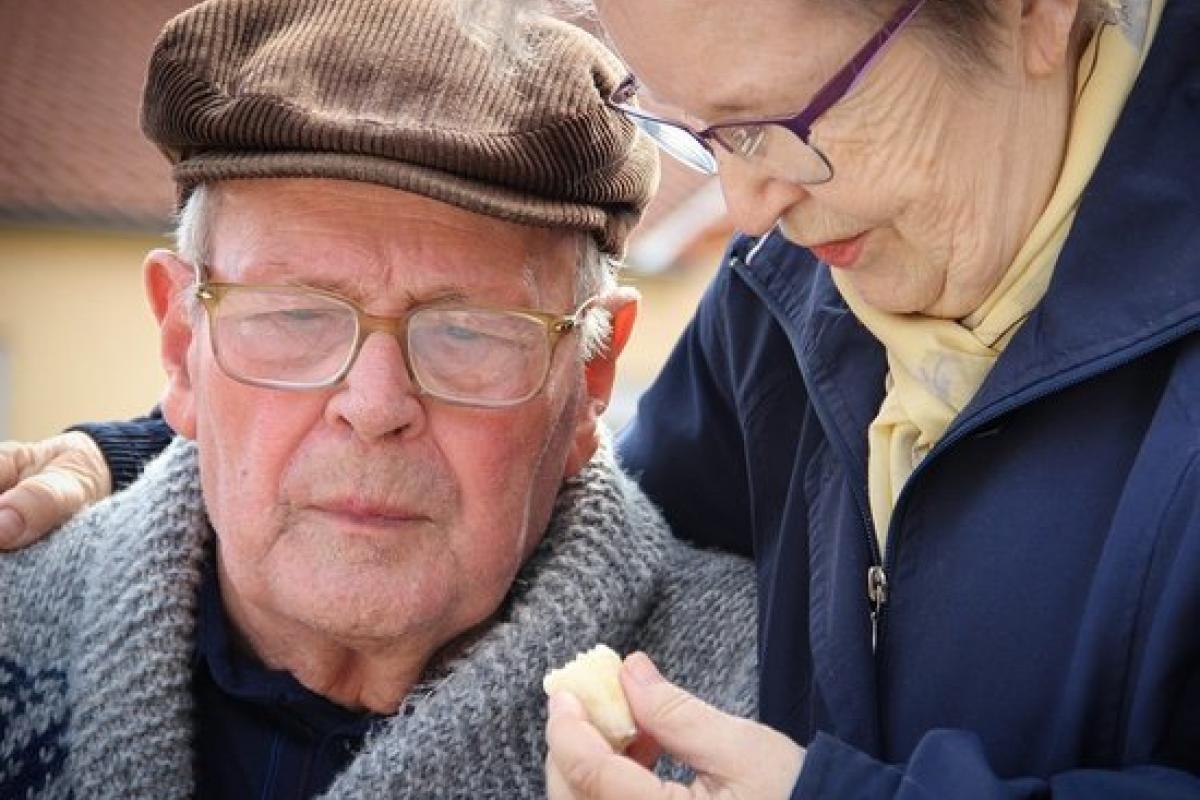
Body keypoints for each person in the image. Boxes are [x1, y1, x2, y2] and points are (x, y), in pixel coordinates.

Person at [4, 0, 1199, 797]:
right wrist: (145, 454)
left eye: (792, 120)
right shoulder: (791, 295)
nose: (744, 213)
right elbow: (563, 479)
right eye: (702, 137)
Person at [0, 1, 759, 798]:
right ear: (183, 347)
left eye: (466, 333)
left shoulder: (762, 704)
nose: (373, 405)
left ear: (589, 380)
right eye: (295, 314)